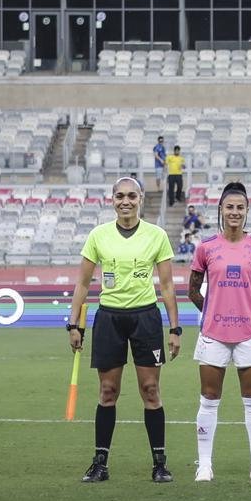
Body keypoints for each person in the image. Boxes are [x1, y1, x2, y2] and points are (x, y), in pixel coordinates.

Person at [68, 177, 181, 484]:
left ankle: (160, 464)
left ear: (140, 199)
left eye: (132, 196)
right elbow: (82, 283)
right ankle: (100, 463)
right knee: (107, 392)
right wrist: (74, 323)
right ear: (112, 199)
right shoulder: (98, 235)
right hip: (109, 319)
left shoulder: (156, 235)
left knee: (150, 391)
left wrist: (175, 328)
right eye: (120, 196)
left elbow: (168, 285)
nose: (126, 201)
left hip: (145, 318)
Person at [188, 182, 251, 482]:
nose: (234, 212)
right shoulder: (206, 247)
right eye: (230, 207)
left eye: (240, 207)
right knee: (209, 399)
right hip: (214, 333)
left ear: (247, 211)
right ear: (221, 210)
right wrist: (212, 311)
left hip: (249, 333)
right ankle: (205, 465)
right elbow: (193, 290)